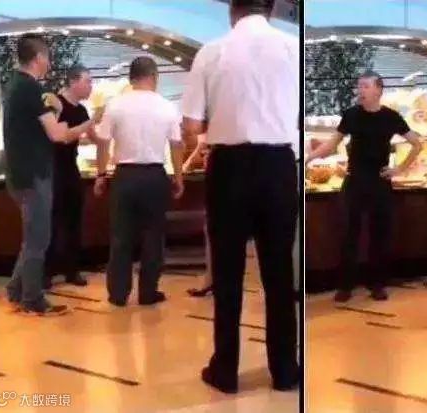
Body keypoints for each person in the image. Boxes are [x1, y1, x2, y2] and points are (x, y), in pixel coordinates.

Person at [181, 0, 300, 394]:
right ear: (271, 9)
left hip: (229, 167)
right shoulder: (292, 48)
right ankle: (285, 370)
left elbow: (191, 125)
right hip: (279, 164)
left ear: (233, 10)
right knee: (278, 273)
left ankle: (226, 370)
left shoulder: (212, 51)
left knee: (228, 273)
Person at [3, 34, 100, 316]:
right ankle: (32, 299)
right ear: (39, 58)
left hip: (20, 173)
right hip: (34, 174)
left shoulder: (15, 85)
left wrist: (57, 116)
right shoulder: (30, 88)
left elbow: (42, 130)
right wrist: (89, 122)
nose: (49, 63)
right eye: (47, 57)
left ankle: (16, 289)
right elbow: (58, 135)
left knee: (32, 237)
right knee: (39, 239)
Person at [306, 71, 422, 303]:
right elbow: (332, 144)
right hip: (355, 180)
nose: (361, 91)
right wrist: (309, 157)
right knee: (349, 233)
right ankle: (345, 286)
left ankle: (377, 284)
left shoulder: (391, 117)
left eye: (366, 86)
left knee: (380, 234)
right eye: (359, 86)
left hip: (380, 180)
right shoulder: (351, 115)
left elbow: (416, 144)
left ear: (379, 90)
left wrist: (399, 169)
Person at [94, 57, 185, 307]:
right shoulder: (166, 106)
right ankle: (148, 292)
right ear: (154, 76)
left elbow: (102, 142)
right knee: (153, 236)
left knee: (121, 236)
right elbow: (176, 144)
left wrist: (101, 175)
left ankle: (118, 293)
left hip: (124, 176)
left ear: (131, 78)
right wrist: (178, 177)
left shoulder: (115, 105)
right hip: (154, 176)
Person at [44, 65, 97, 289]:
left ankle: (72, 270)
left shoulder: (82, 110)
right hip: (52, 170)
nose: (91, 86)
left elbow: (91, 136)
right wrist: (90, 123)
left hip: (71, 169)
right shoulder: (55, 103)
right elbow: (63, 136)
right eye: (87, 81)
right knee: (52, 222)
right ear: (74, 82)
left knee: (74, 221)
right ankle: (46, 272)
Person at [182, 135, 213, 297]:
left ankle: (211, 280)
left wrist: (187, 164)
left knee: (213, 230)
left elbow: (202, 143)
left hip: (222, 177)